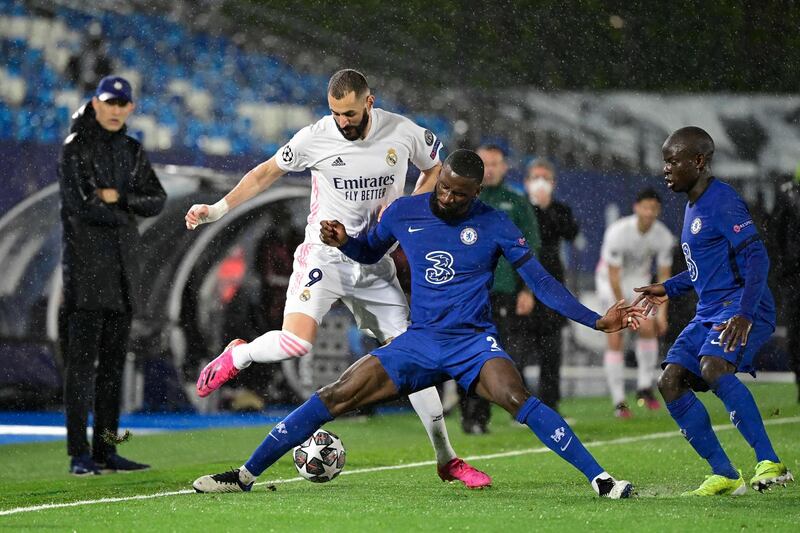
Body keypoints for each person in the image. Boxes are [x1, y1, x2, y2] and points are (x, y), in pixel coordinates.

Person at [192, 149, 638, 498]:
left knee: (516, 396)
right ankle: (245, 475)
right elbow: (370, 252)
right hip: (420, 341)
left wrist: (596, 320)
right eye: (443, 187)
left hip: (473, 344)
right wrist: (346, 242)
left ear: (476, 193)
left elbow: (541, 282)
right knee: (336, 394)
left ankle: (599, 478)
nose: (446, 197)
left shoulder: (498, 225)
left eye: (459, 194)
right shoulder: (406, 211)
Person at [185, 69, 489, 488]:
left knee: (415, 359)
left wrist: (408, 206)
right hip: (325, 257)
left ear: (369, 102)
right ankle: (241, 354)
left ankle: (447, 459)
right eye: (335, 113)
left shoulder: (402, 131)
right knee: (296, 343)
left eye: (349, 112)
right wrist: (218, 209)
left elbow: (436, 167)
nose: (342, 121)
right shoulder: (316, 137)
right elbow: (265, 172)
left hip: (374, 263)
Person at [633, 126, 794, 495]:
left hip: (740, 305)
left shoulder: (723, 201)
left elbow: (757, 259)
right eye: (664, 161)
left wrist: (746, 314)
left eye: (673, 160)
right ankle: (724, 473)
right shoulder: (693, 205)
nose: (666, 169)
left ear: (699, 161)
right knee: (670, 381)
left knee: (713, 366)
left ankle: (770, 461)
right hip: (710, 309)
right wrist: (667, 288)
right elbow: (702, 269)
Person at [58, 75, 166, 475]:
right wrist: (124, 211)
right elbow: (80, 207)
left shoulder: (132, 150)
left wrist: (118, 198)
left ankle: (106, 450)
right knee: (82, 369)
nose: (117, 110)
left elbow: (157, 200)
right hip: (85, 274)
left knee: (113, 370)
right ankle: (78, 454)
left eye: (123, 104)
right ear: (96, 103)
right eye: (110, 103)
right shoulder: (75, 149)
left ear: (130, 107)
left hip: (122, 275)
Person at [455, 144, 541, 434]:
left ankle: (490, 413)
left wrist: (527, 290)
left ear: (505, 166)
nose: (489, 169)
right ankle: (470, 416)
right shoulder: (461, 199)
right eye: (485, 163)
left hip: (502, 290)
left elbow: (531, 249)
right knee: (465, 354)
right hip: (466, 292)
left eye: (495, 163)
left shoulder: (515, 202)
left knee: (499, 353)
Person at [595, 188, 675, 418]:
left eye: (654, 208)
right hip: (610, 283)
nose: (649, 212)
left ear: (658, 211)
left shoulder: (663, 236)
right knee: (615, 335)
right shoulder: (618, 232)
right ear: (636, 207)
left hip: (638, 283)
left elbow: (664, 277)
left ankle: (644, 388)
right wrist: (624, 310)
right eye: (646, 207)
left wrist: (662, 314)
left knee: (649, 327)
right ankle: (619, 401)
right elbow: (612, 275)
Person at [522, 158, 579, 411]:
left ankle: (550, 404)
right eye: (535, 177)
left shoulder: (561, 209)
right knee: (517, 349)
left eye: (545, 177)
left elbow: (571, 233)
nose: (540, 183)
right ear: (526, 182)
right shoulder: (518, 207)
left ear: (553, 183)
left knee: (551, 350)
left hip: (553, 283)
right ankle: (521, 403)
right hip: (522, 283)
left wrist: (546, 209)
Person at [771, 166, 800, 401]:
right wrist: (785, 267)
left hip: (791, 274)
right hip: (794, 276)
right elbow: (776, 234)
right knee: (795, 332)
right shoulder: (788, 194)